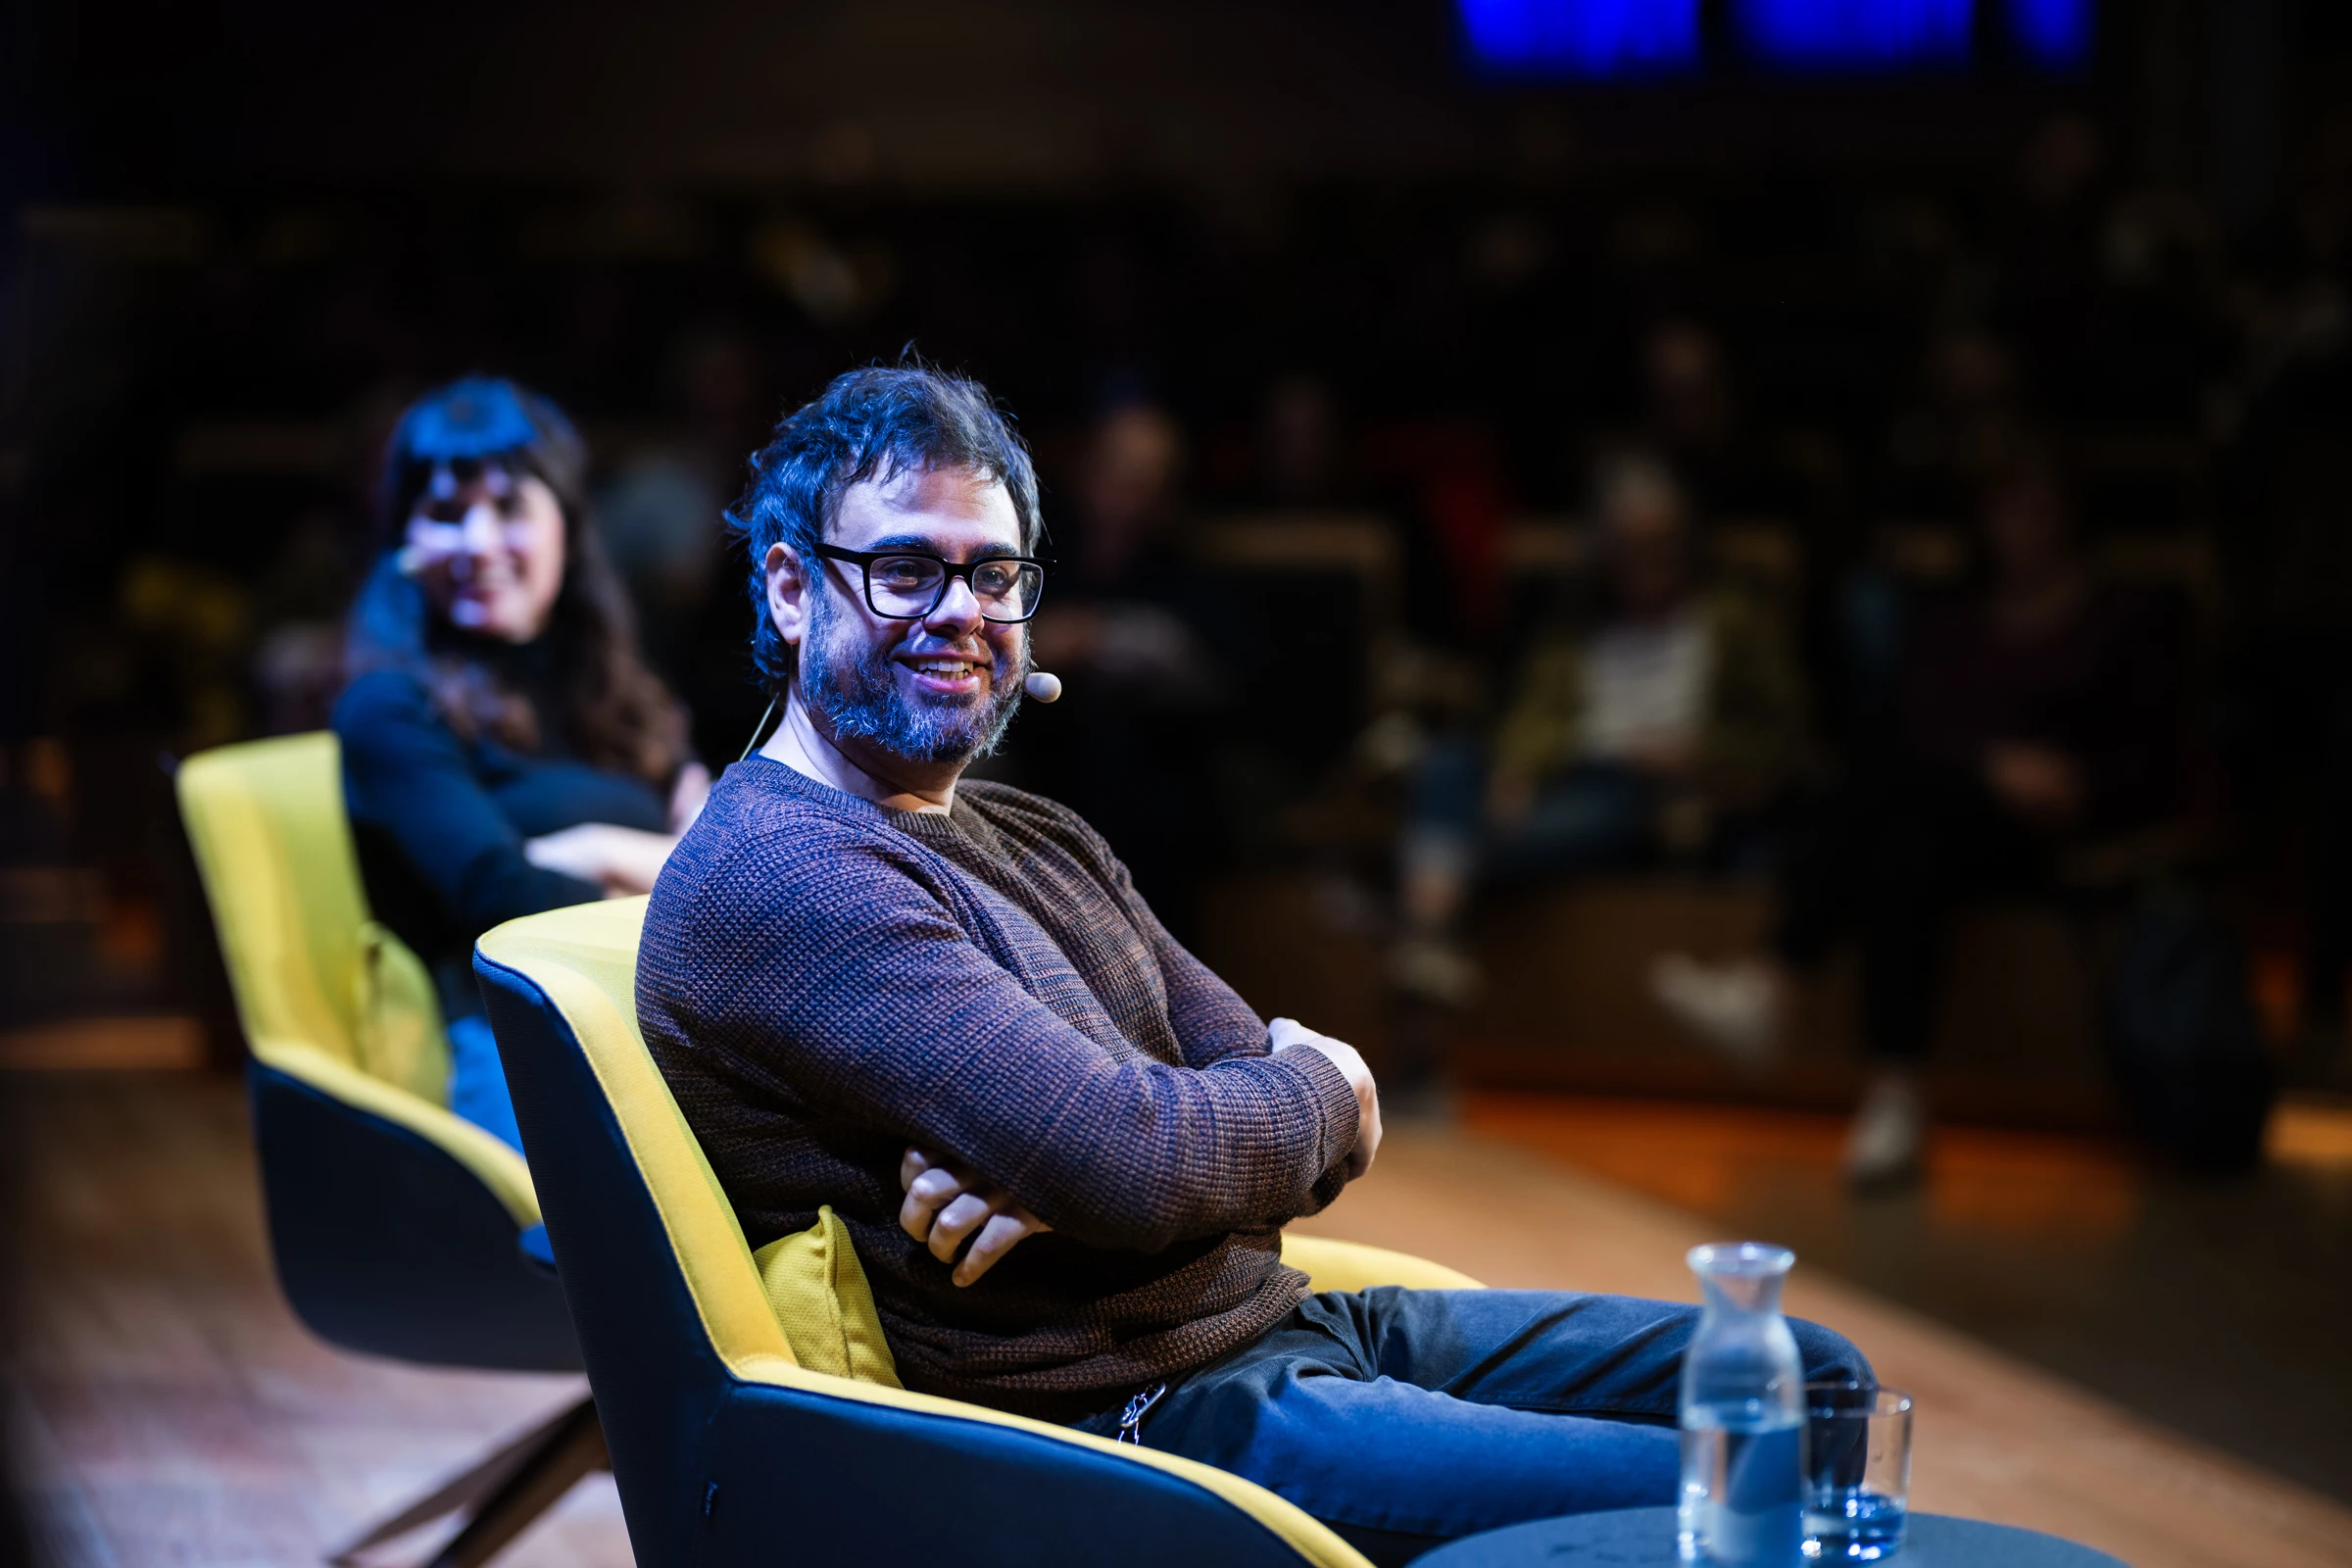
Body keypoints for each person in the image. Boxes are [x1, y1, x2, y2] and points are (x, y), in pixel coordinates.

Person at [636, 364, 1867, 1564]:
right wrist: (1274, 1102)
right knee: (1739, 1474)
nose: (959, 612)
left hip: (1273, 1322)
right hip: (1131, 1416)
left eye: (992, 574)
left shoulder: (1030, 830)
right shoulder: (786, 872)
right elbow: (1150, 1145)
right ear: (791, 590)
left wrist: (1121, 1145)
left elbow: (1185, 1102)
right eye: (904, 568)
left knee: (1812, 1384)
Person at [1653, 457, 2180, 1185]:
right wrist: (1988, 766)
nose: (2021, 529)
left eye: (2038, 509)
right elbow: (1916, 723)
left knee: (1888, 802)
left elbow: (2153, 754)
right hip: (1945, 822)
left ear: (2071, 517)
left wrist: (2075, 780)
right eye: (2005, 508)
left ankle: (1776, 987)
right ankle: (1891, 1098)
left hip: (2054, 832)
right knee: (1907, 842)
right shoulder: (1957, 616)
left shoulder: (2116, 619)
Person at [337, 377, 708, 1152]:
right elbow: (502, 894)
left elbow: (717, 835)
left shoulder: (610, 688)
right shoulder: (390, 705)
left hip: (671, 1010)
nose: (477, 542)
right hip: (519, 1033)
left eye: (508, 508)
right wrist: (674, 867)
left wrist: (603, 853)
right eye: (444, 513)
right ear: (405, 541)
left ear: (566, 529)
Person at [1391, 455, 1809, 1006]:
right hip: (1566, 772)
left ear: (1687, 539)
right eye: (1630, 544)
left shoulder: (1733, 620)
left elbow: (1782, 734)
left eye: (1660, 541)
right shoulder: (1577, 626)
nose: (1648, 557)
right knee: (1447, 762)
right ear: (1607, 548)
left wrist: (1697, 755)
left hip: (1654, 790)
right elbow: (1532, 716)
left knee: (1492, 830)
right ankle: (1428, 943)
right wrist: (1516, 770)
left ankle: (1426, 902)